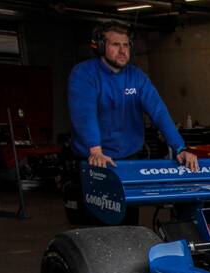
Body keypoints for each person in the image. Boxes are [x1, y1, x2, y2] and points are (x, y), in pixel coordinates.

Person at [67, 22, 197, 171]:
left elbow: (159, 112)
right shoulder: (84, 74)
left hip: (129, 158)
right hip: (93, 159)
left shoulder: (137, 77)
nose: (122, 51)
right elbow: (84, 115)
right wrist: (95, 151)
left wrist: (180, 148)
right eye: (116, 45)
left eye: (126, 45)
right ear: (101, 46)